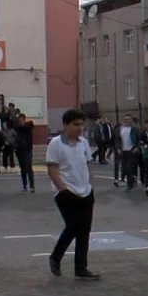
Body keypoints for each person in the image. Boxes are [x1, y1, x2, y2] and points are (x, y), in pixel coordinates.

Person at [46, 109, 100, 280]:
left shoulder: (83, 143)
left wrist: (90, 185)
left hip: (85, 191)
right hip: (67, 191)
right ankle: (55, 257)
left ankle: (81, 267)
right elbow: (52, 169)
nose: (79, 128)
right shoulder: (56, 143)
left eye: (81, 124)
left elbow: (88, 164)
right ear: (66, 125)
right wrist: (62, 189)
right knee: (73, 226)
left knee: (84, 230)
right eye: (75, 124)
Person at [13, 113, 37, 193]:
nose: (21, 121)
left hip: (28, 149)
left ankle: (32, 186)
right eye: (20, 120)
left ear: (25, 119)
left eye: (22, 120)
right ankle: (24, 185)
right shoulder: (17, 128)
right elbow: (15, 127)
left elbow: (31, 124)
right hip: (19, 150)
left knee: (28, 166)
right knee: (22, 168)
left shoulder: (28, 127)